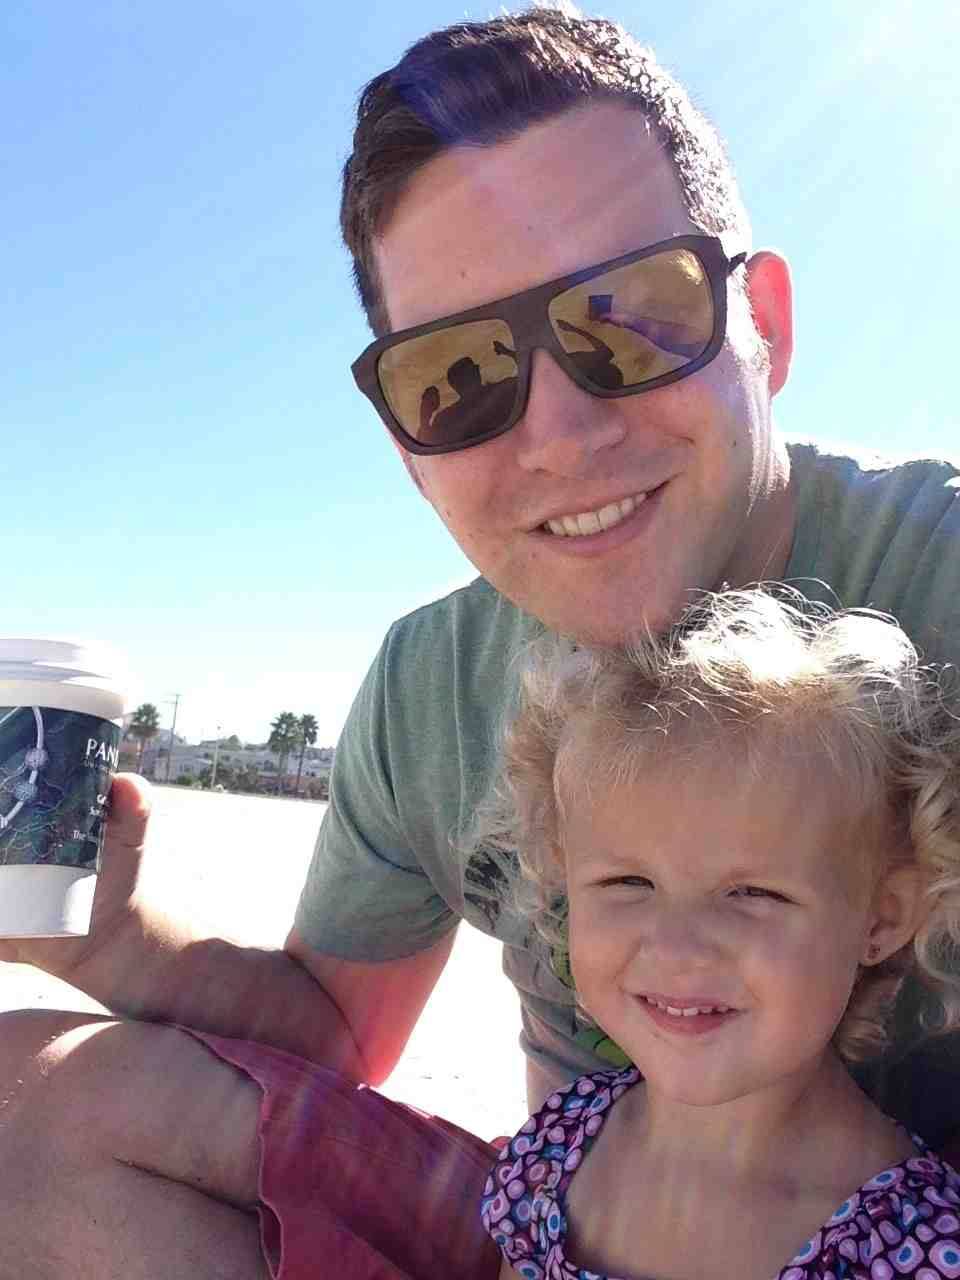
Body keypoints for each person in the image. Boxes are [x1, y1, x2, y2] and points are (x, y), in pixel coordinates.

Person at [1, 6, 959, 1274]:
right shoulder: (432, 684)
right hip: (561, 1216)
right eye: (456, 377)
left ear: (765, 324)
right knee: (27, 1098)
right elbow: (337, 1032)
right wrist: (99, 931)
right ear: (409, 450)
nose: (559, 435)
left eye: (633, 315)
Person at [478, 589, 960, 1278]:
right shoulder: (553, 1153)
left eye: (752, 893)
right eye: (627, 882)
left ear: (881, 918)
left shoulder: (918, 1247)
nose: (677, 948)